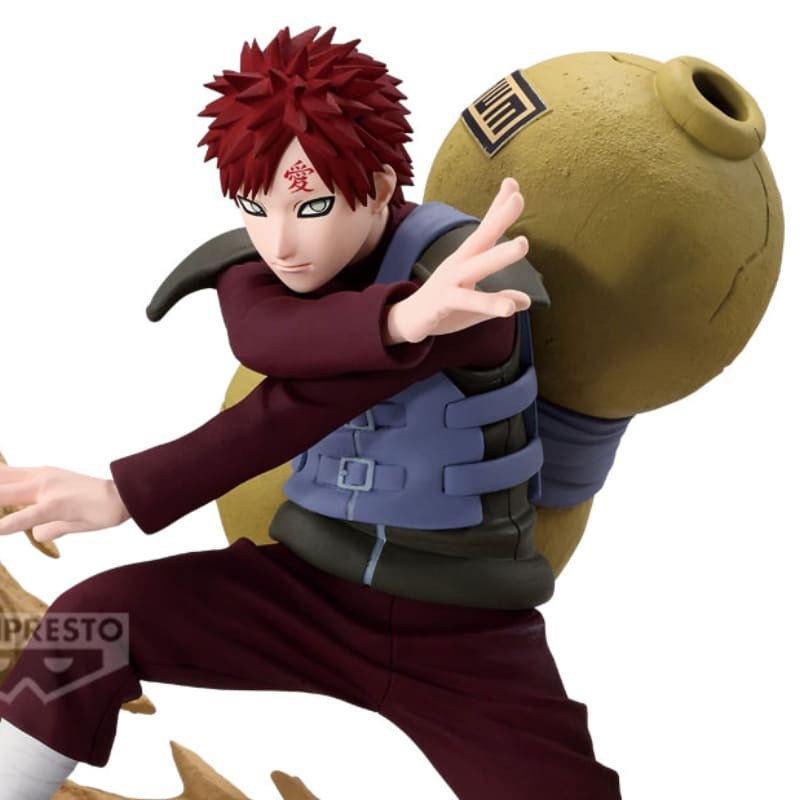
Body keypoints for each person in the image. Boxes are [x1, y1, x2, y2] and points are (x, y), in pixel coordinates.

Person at [0, 26, 620, 799]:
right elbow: (265, 336)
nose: (281, 243)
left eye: (313, 204)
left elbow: (296, 408)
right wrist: (398, 320)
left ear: (382, 184)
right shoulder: (268, 263)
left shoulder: (467, 281)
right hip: (306, 594)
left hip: (465, 627)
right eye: (254, 207)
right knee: (86, 626)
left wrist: (121, 494)